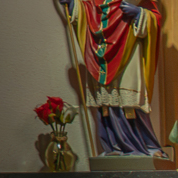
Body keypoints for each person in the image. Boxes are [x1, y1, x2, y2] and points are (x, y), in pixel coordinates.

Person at [59, 0, 163, 155]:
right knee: (106, 103)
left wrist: (141, 14)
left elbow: (154, 17)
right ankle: (113, 147)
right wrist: (74, 5)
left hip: (128, 40)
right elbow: (88, 8)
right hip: (100, 48)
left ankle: (144, 147)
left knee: (129, 99)